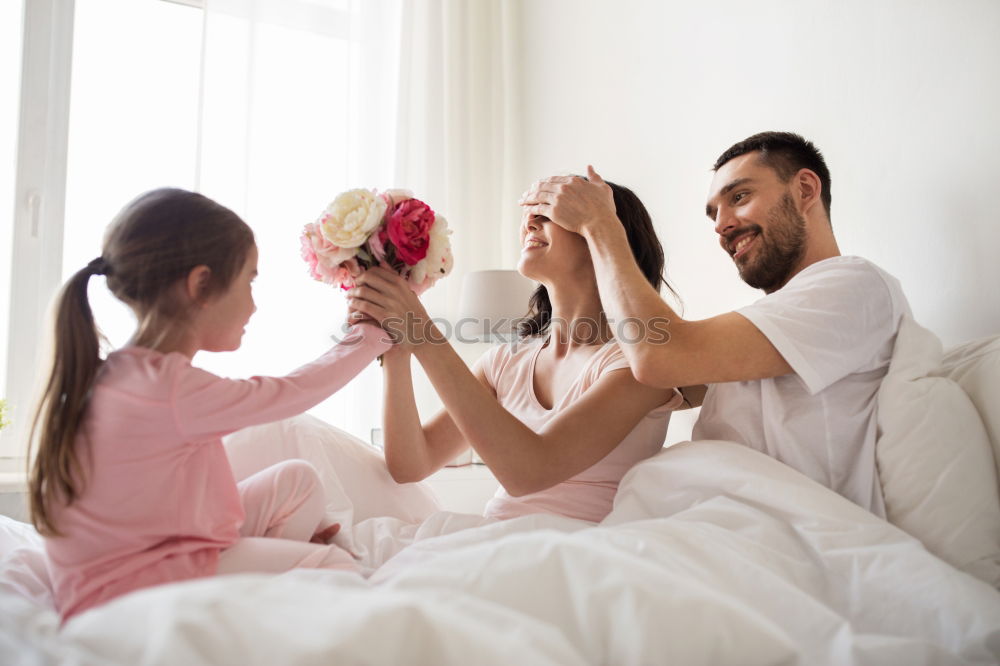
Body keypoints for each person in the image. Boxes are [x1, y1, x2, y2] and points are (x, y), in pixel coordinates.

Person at [29, 188, 389, 621]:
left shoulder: (128, 374)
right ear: (201, 284)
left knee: (298, 480)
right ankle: (256, 601)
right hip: (129, 592)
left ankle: (257, 584)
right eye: (250, 280)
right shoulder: (168, 390)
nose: (254, 304)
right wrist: (372, 335)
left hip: (148, 559)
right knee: (335, 566)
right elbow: (291, 391)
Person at [519, 132, 911, 516]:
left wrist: (600, 225)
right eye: (713, 213)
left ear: (805, 190)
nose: (721, 225)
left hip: (774, 535)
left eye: (739, 197)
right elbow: (651, 368)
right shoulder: (761, 330)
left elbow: (659, 355)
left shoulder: (854, 285)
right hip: (689, 523)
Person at [347, 180, 687, 525]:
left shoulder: (640, 365)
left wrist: (424, 336)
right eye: (531, 214)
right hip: (498, 537)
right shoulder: (507, 360)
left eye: (550, 213)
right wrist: (394, 347)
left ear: (605, 236)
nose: (531, 223)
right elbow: (411, 465)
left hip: (577, 552)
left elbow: (530, 471)